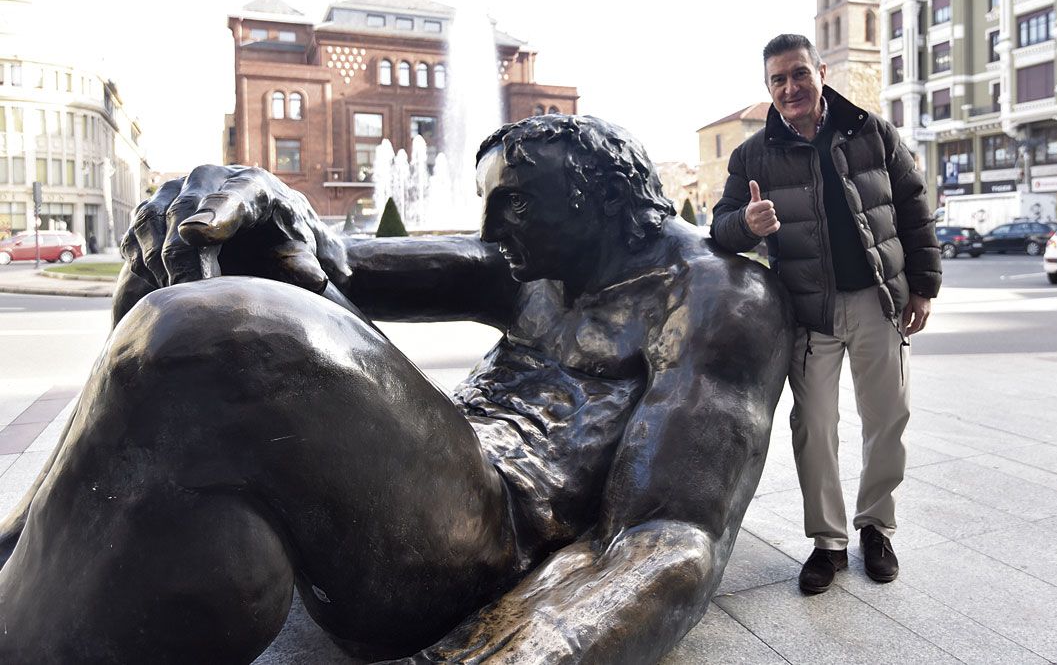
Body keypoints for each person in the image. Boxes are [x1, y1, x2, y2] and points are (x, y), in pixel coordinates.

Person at [0, 115, 793, 663]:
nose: (491, 230)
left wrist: (502, 651)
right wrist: (259, 206)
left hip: (488, 539)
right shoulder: (532, 264)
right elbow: (327, 263)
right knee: (178, 265)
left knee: (214, 331)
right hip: (430, 487)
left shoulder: (717, 299)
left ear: (599, 199)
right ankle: (24, 549)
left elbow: (670, 539)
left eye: (513, 203)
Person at [710, 34, 941, 594]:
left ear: (820, 71)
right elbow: (719, 230)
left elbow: (912, 208)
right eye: (778, 80)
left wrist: (924, 286)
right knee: (813, 428)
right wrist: (749, 225)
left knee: (888, 418)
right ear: (769, 88)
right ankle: (827, 542)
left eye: (798, 75)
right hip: (807, 312)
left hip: (876, 299)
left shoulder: (871, 131)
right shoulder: (751, 155)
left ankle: (877, 529)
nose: (790, 88)